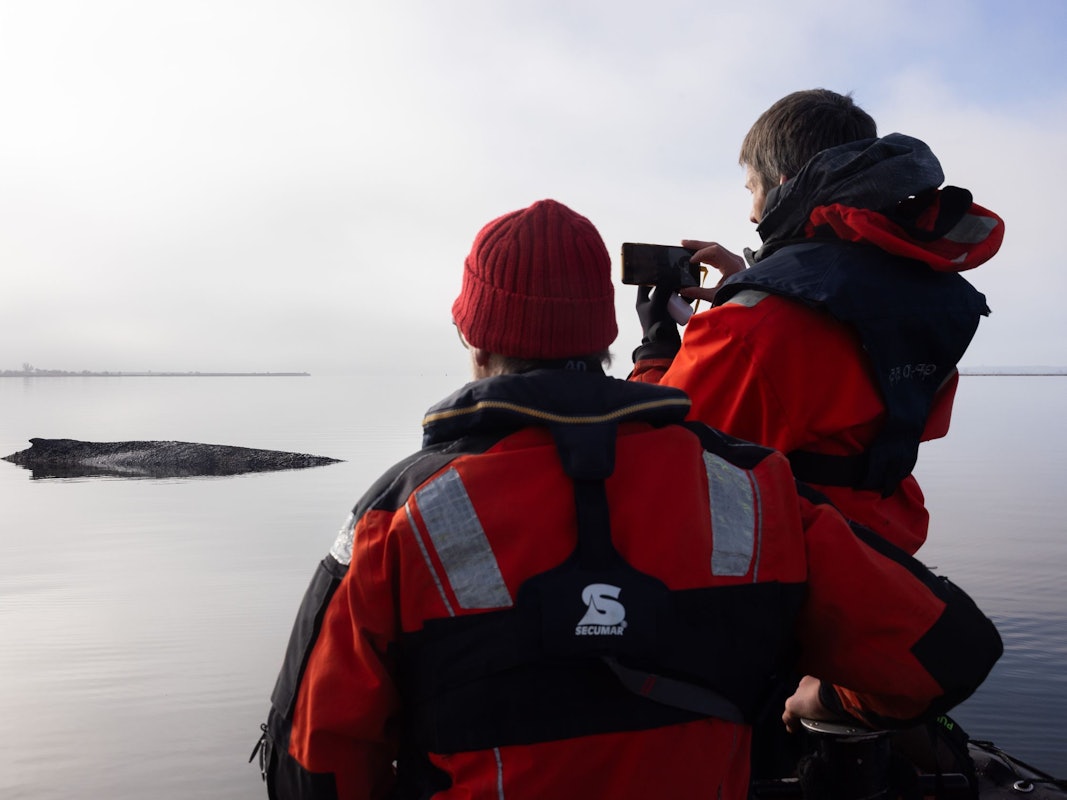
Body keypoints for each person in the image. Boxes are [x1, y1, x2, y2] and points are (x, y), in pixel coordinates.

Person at [254, 199, 1002, 800]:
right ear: (603, 340)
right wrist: (824, 705)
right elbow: (947, 654)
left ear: (475, 338)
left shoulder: (398, 516)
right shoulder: (758, 492)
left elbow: (311, 762)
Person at [631, 89, 1005, 556]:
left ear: (784, 182)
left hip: (793, 571)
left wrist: (655, 352)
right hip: (885, 556)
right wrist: (756, 283)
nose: (750, 212)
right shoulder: (922, 287)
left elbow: (659, 460)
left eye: (752, 188)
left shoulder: (750, 328)